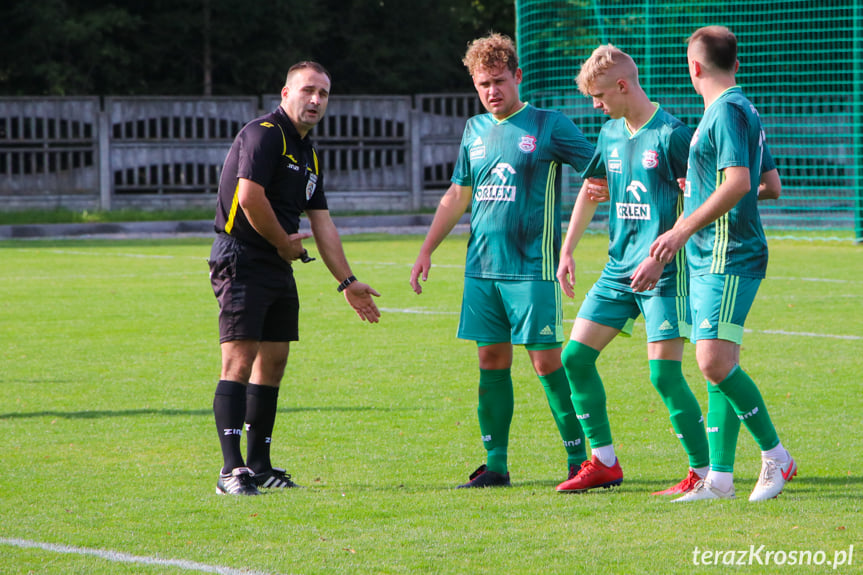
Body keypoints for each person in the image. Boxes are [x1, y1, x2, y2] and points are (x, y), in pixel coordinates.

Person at [410, 33, 605, 488]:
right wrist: (426, 249)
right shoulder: (473, 130)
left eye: (499, 81)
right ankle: (495, 465)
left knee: (546, 363)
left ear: (517, 77)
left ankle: (581, 461)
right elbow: (458, 194)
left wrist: (604, 197)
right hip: (481, 270)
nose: (491, 91)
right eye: (482, 84)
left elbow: (599, 166)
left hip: (530, 269)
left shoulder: (549, 125)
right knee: (490, 361)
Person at [208, 61, 381, 496]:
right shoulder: (265, 134)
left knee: (275, 362)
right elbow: (249, 198)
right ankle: (231, 471)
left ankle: (260, 465)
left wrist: (347, 282)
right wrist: (284, 244)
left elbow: (322, 222)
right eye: (308, 91)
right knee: (239, 361)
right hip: (243, 256)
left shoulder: (308, 153)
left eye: (323, 93)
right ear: (286, 93)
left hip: (277, 263)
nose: (316, 100)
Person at [554, 45, 711, 496]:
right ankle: (604, 461)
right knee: (575, 358)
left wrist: (659, 254)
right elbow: (591, 189)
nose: (596, 104)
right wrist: (568, 249)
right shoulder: (609, 133)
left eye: (600, 95)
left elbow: (702, 203)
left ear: (623, 85)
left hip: (665, 272)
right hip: (617, 269)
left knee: (663, 375)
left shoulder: (674, 135)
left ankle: (702, 474)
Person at [650, 26, 794, 502]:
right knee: (718, 362)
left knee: (712, 360)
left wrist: (683, 226)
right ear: (735, 61)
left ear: (694, 66)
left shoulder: (727, 111)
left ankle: (776, 457)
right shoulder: (738, 109)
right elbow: (769, 184)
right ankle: (719, 479)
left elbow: (737, 183)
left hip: (727, 253)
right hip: (710, 253)